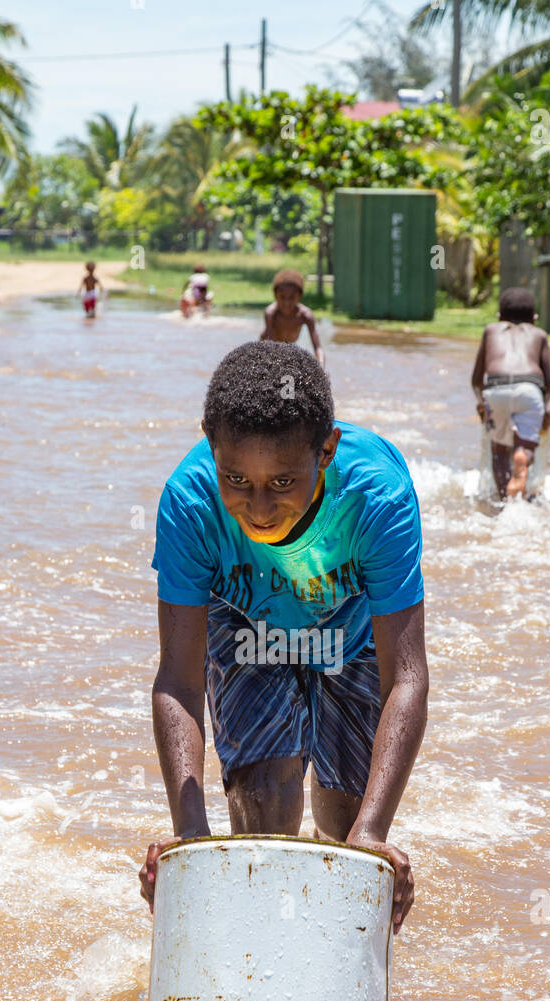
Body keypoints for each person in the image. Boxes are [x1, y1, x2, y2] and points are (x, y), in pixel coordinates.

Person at [140, 340, 429, 932]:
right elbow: (178, 680)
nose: (260, 508)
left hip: (351, 630)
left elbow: (407, 677)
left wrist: (372, 835)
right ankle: (262, 939)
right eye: (238, 480)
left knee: (345, 832)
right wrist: (190, 839)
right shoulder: (189, 501)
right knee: (263, 806)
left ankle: (333, 935)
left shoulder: (377, 498)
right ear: (211, 446)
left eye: (283, 482)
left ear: (326, 451)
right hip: (248, 627)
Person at [471, 287, 550, 500]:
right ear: (534, 319)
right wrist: (543, 411)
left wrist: (482, 404)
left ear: (499, 318)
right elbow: (549, 384)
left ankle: (503, 500)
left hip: (495, 390)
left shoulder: (491, 330)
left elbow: (476, 378)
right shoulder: (539, 334)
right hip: (530, 389)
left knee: (498, 448)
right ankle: (521, 456)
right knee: (526, 444)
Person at [261, 268, 325, 367]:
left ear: (300, 296)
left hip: (289, 345)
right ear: (275, 295)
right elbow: (269, 345)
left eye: (292, 297)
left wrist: (322, 368)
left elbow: (317, 348)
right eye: (282, 297)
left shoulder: (305, 315)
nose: (287, 302)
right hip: (269, 343)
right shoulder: (270, 314)